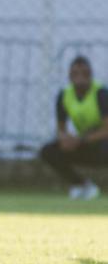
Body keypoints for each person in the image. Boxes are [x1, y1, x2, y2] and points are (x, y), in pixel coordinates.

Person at [39, 56, 106, 200]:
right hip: (84, 144)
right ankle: (82, 185)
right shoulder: (64, 95)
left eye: (84, 74)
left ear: (90, 75)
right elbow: (61, 128)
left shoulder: (101, 93)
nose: (80, 78)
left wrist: (80, 139)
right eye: (75, 74)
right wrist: (65, 139)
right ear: (69, 76)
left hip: (101, 145)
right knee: (48, 151)